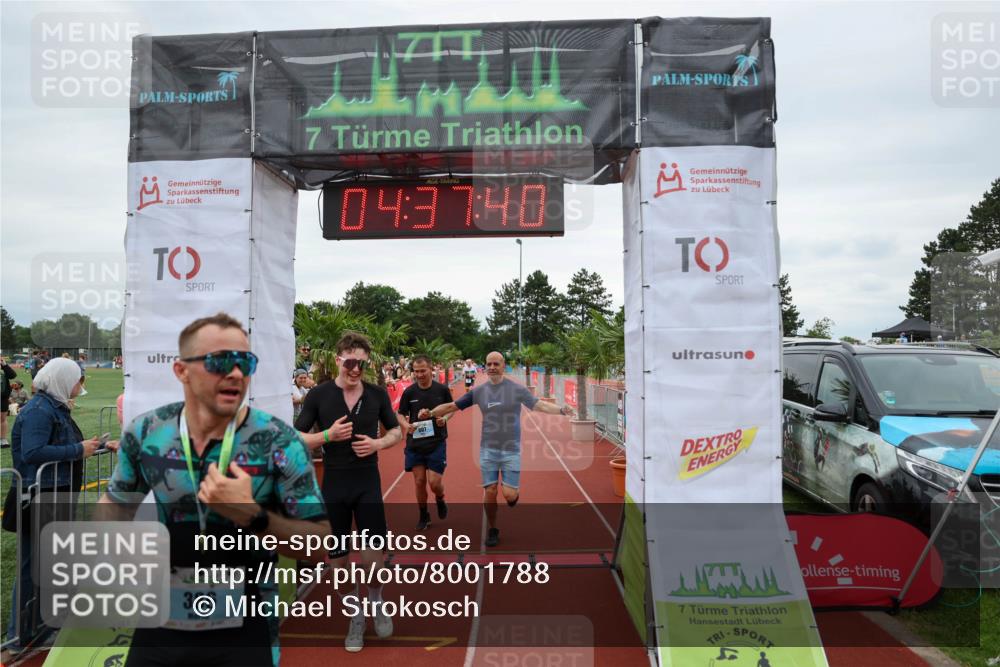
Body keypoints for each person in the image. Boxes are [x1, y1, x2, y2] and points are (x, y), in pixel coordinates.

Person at [98, 313, 331, 666]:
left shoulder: (279, 441)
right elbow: (115, 504)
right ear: (181, 370)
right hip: (160, 618)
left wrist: (254, 517)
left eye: (244, 362)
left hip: (245, 623)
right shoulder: (146, 432)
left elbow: (318, 545)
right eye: (220, 362)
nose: (235, 373)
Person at [295, 331, 402, 652]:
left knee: (373, 564)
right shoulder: (319, 395)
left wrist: (378, 444)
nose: (356, 370)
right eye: (350, 363)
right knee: (338, 567)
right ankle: (356, 618)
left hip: (367, 483)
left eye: (362, 364)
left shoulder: (377, 394)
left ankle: (376, 601)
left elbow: (396, 431)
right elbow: (295, 437)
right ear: (338, 360)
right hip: (334, 486)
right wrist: (327, 436)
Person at [4, 358, 104, 657]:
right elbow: (33, 452)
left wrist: (96, 446)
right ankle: (19, 636)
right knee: (31, 566)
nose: (80, 385)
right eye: (77, 379)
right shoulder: (40, 410)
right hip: (39, 496)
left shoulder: (54, 407)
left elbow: (63, 445)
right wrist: (78, 450)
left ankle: (39, 626)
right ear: (62, 379)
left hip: (53, 494)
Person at [422, 351, 574, 547]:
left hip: (511, 449)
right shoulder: (479, 391)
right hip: (488, 450)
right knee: (491, 491)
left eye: (496, 364)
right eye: (489, 364)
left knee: (509, 495)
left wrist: (561, 410)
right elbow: (452, 406)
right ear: (485, 366)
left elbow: (539, 406)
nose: (492, 367)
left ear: (503, 366)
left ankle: (513, 495)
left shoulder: (516, 389)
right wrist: (431, 412)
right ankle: (493, 528)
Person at [396, 355, 452, 530]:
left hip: (436, 442)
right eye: (416, 371)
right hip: (415, 444)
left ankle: (440, 498)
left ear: (431, 369)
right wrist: (406, 425)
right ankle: (423, 514)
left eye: (423, 371)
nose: (419, 375)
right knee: (419, 481)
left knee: (434, 483)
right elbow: (400, 413)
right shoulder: (409, 392)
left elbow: (451, 408)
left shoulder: (442, 390)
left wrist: (445, 418)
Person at [1, 356, 16, 446]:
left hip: (3, 397)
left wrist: (5, 365)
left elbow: (12, 375)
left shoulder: (3, 367)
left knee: (2, 418)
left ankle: (3, 439)